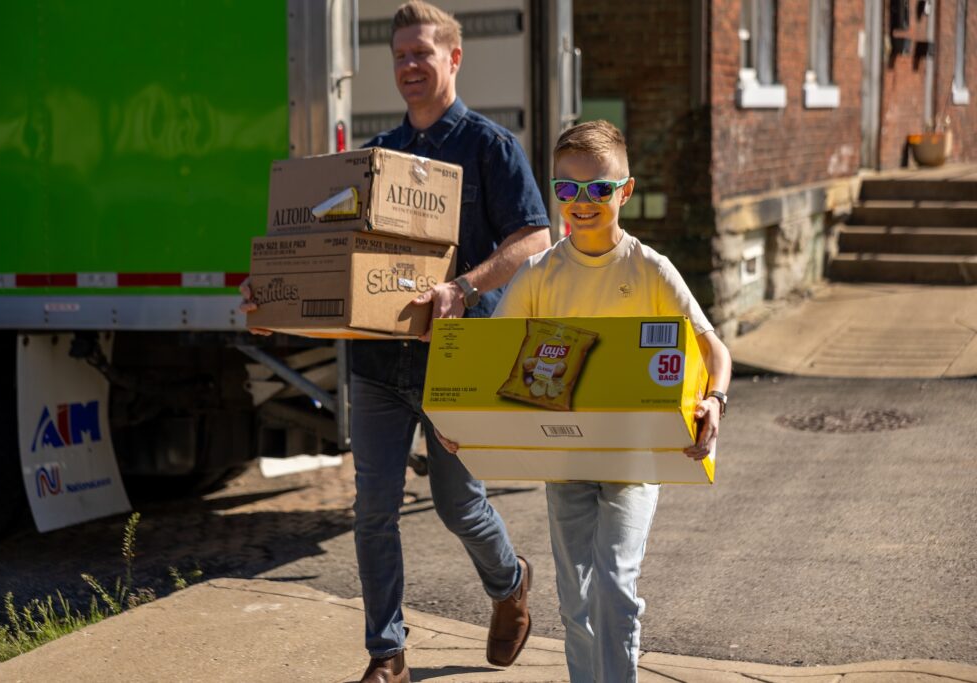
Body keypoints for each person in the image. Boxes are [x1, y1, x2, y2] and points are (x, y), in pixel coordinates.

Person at [243, 3, 550, 682]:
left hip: (458, 362)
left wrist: (464, 288)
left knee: (458, 503)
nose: (410, 66)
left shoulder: (489, 147)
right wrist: (276, 297)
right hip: (380, 364)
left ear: (454, 59)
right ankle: (388, 652)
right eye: (401, 56)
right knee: (373, 508)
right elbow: (335, 252)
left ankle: (510, 582)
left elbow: (534, 237)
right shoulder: (378, 159)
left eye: (423, 54)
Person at [438, 120, 732, 682]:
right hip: (566, 459)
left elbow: (712, 347)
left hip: (633, 460)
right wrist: (467, 427)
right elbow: (491, 365)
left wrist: (713, 401)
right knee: (577, 605)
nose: (582, 202)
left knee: (616, 590)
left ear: (625, 191)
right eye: (567, 190)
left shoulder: (649, 269)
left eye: (598, 189)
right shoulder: (538, 273)